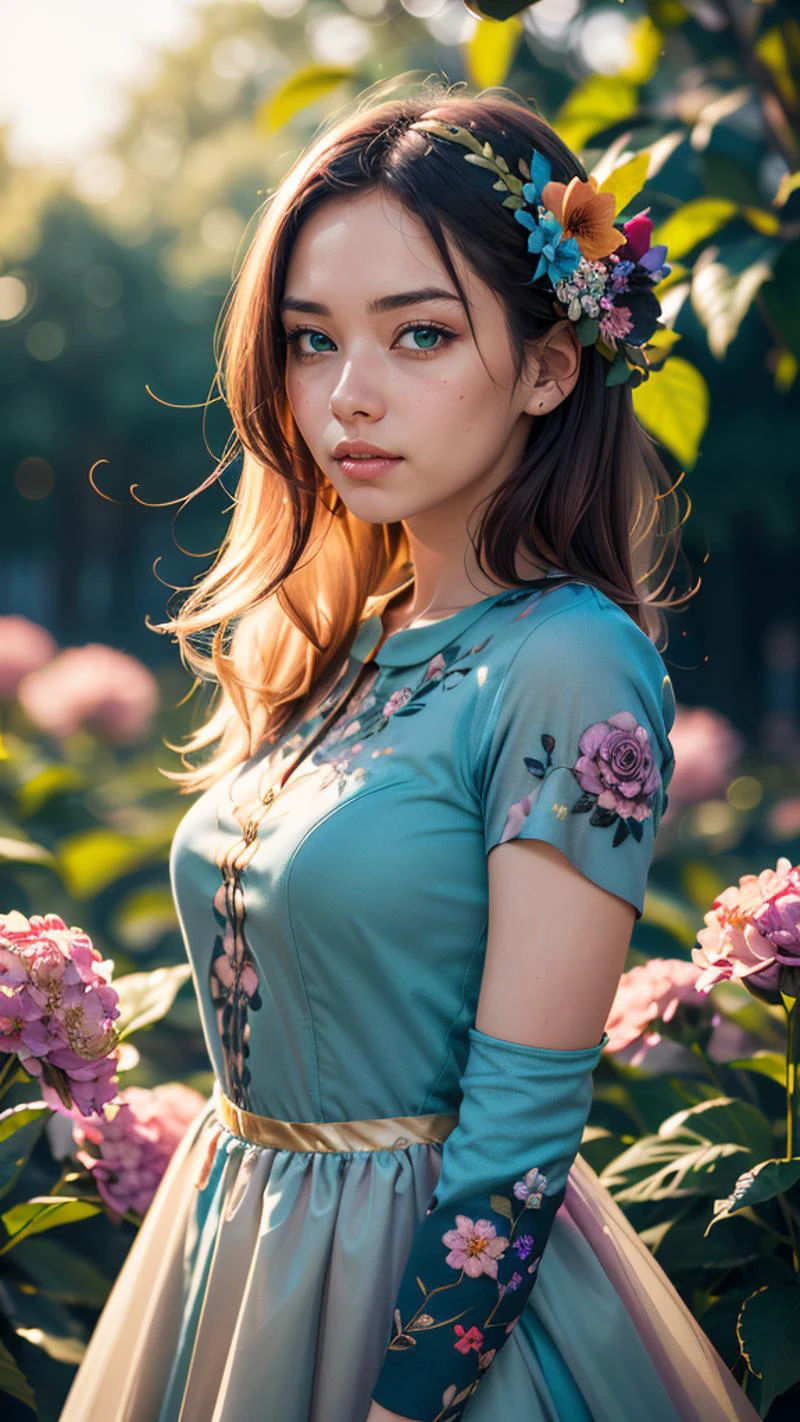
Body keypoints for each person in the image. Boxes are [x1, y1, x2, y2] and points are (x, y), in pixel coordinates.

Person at [59, 83, 760, 1422]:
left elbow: (523, 1118)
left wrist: (410, 1395)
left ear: (553, 366)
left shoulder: (569, 659)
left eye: (420, 335)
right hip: (238, 1266)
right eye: (312, 341)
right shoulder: (347, 636)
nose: (348, 396)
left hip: (424, 1318)